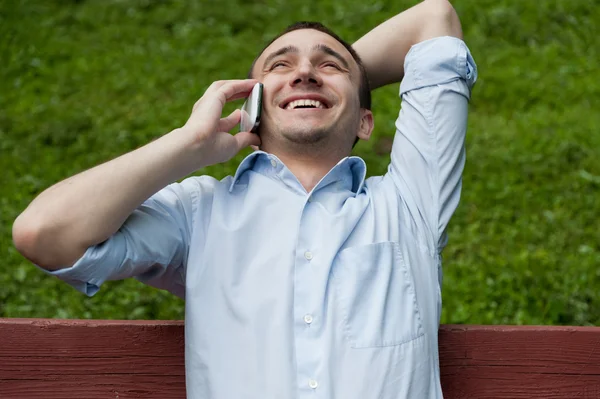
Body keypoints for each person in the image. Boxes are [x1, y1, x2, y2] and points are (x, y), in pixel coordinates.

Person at [12, 0, 477, 397]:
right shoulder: (198, 214)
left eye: (328, 64)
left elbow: (434, 18)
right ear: (249, 111)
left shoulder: (409, 203)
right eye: (280, 66)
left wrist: (330, 87)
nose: (304, 74)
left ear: (365, 123)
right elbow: (44, 233)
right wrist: (187, 145)